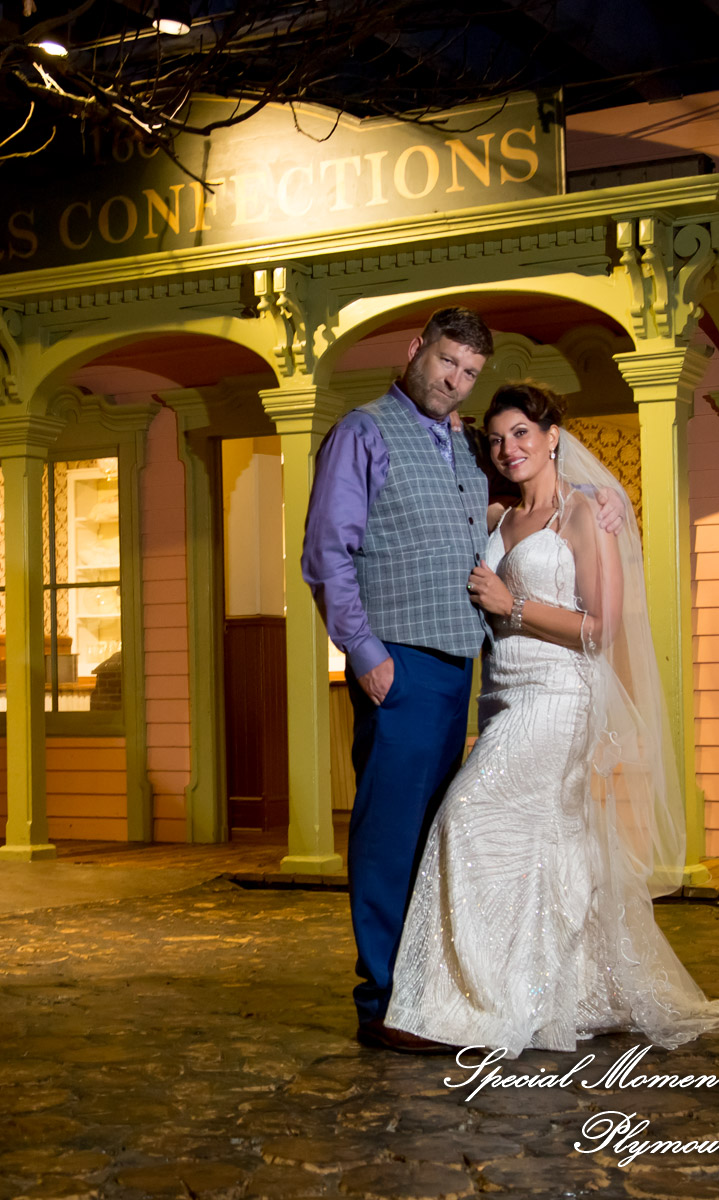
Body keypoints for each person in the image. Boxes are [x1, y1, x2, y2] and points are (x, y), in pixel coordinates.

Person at [384, 380, 719, 1054]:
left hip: (559, 700)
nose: (508, 448)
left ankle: (476, 1002)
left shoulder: (584, 515)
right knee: (544, 845)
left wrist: (510, 603)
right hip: (502, 697)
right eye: (496, 439)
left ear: (552, 436)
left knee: (466, 816)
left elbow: (600, 628)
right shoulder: (494, 519)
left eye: (520, 433)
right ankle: (568, 989)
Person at [301, 306, 496, 1054]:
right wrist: (365, 652)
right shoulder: (363, 432)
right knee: (389, 837)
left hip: (457, 663)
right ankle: (384, 1002)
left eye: (470, 373)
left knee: (432, 838)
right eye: (448, 362)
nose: (455, 381)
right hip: (401, 662)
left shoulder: (462, 445)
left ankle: (422, 992)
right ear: (417, 350)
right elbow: (327, 552)